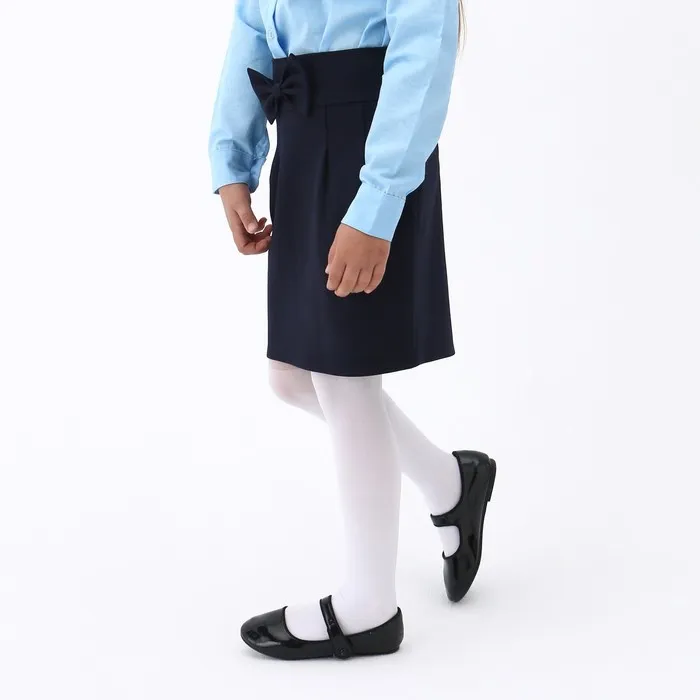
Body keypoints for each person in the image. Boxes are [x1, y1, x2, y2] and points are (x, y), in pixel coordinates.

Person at [209, 0, 496, 661]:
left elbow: (423, 51)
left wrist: (378, 202)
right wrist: (233, 161)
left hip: (372, 143)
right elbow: (251, 24)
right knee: (292, 377)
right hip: (302, 139)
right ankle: (450, 483)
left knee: (343, 376)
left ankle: (370, 606)